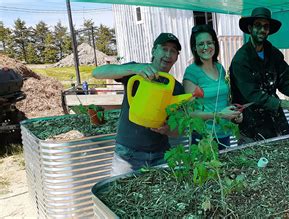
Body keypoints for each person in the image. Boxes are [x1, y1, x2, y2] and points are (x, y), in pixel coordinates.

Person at [92, 33, 184, 176]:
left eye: (173, 51)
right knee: (120, 194)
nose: (168, 54)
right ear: (154, 51)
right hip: (127, 154)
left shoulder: (175, 87)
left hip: (161, 155)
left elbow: (178, 131)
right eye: (164, 49)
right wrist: (135, 69)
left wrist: (167, 129)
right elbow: (98, 72)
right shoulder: (135, 72)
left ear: (176, 57)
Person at [229, 7, 289, 143]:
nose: (262, 30)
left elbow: (285, 78)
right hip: (251, 118)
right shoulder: (241, 60)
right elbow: (252, 94)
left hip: (275, 114)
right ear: (250, 28)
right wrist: (285, 104)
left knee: (285, 148)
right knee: (257, 157)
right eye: (258, 25)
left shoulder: (273, 53)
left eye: (266, 26)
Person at [183, 24, 242, 149]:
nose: (206, 47)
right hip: (203, 137)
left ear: (215, 44)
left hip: (223, 134)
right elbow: (191, 113)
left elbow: (223, 100)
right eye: (200, 44)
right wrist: (220, 114)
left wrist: (233, 113)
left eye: (209, 42)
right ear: (194, 48)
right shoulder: (191, 72)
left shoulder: (220, 68)